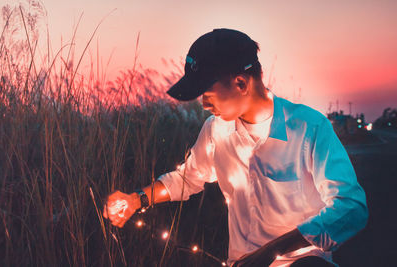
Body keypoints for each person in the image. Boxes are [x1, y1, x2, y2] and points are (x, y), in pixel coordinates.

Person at [103, 28, 368, 267]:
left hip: (304, 263)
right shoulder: (215, 130)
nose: (203, 104)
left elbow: (351, 208)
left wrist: (273, 250)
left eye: (206, 93)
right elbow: (187, 178)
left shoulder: (309, 127)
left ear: (241, 83)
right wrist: (136, 199)